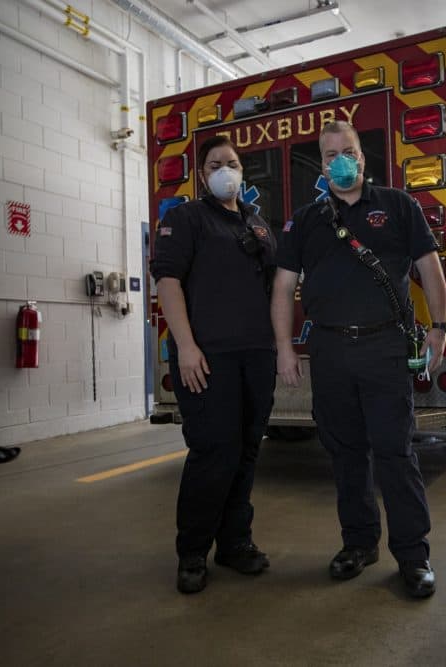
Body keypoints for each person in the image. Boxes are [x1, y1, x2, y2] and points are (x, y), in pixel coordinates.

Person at [271, 121, 446, 599]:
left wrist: (440, 325)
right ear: (322, 164)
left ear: (362, 157)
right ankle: (358, 544)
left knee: (395, 453)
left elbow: (430, 267)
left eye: (346, 151)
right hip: (329, 351)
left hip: (384, 348)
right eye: (329, 156)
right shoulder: (306, 220)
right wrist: (286, 347)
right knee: (346, 455)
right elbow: (284, 287)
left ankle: (413, 556)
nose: (338, 161)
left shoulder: (397, 206)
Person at [150, 135, 277, 595]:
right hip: (207, 357)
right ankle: (192, 552)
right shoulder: (186, 219)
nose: (226, 169)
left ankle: (235, 543)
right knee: (214, 453)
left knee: (245, 451)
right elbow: (168, 283)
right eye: (216, 164)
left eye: (234, 163)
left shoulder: (258, 225)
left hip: (256, 356)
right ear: (203, 175)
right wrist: (185, 346)